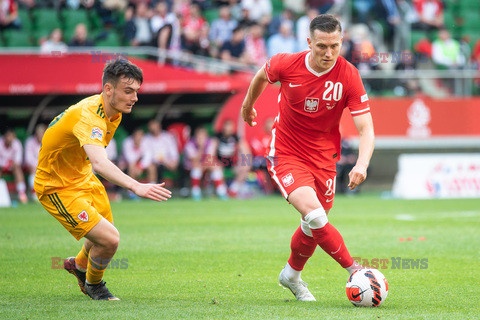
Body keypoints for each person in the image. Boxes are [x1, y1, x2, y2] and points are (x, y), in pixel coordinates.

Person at [240, 14, 374, 301]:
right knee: (315, 215)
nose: (328, 53)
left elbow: (366, 128)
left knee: (312, 225)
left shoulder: (349, 74)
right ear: (309, 42)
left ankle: (291, 275)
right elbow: (262, 75)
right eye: (322, 46)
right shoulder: (286, 63)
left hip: (324, 158)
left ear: (342, 42)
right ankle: (355, 270)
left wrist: (361, 164)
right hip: (286, 153)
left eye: (335, 46)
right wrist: (247, 105)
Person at [34, 59, 172, 301]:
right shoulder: (89, 116)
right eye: (128, 91)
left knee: (102, 232)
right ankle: (94, 286)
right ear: (108, 89)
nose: (135, 98)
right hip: (56, 186)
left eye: (136, 91)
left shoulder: (114, 113)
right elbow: (99, 162)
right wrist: (135, 185)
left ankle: (77, 265)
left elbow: (92, 160)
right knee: (110, 239)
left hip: (82, 176)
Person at [184, 126, 228, 201]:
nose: (201, 139)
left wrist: (203, 166)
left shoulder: (211, 142)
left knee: (216, 167)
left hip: (205, 165)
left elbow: (210, 158)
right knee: (196, 168)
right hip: (191, 167)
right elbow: (194, 160)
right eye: (199, 137)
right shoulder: (190, 144)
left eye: (203, 137)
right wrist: (201, 148)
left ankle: (221, 192)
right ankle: (196, 193)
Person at [145, 119, 179, 186]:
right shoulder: (146, 138)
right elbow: (148, 155)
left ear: (159, 126)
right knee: (151, 167)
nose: (153, 128)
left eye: (155, 126)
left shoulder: (167, 136)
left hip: (167, 161)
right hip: (153, 162)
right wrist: (160, 160)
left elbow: (173, 152)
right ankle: (153, 188)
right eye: (151, 126)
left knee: (174, 164)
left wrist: (173, 161)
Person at [0, 128, 27, 203]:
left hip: (13, 167)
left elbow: (18, 160)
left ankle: (22, 194)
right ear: (4, 137)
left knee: (17, 169)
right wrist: (4, 165)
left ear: (14, 136)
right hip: (1, 166)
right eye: (7, 136)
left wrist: (11, 164)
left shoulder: (17, 143)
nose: (9, 139)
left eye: (10, 136)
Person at [24, 123, 46, 200]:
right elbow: (28, 158)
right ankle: (34, 193)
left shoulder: (47, 141)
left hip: (45, 165)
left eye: (42, 133)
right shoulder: (29, 141)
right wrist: (38, 165)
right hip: (33, 165)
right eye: (38, 133)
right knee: (32, 168)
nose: (40, 135)